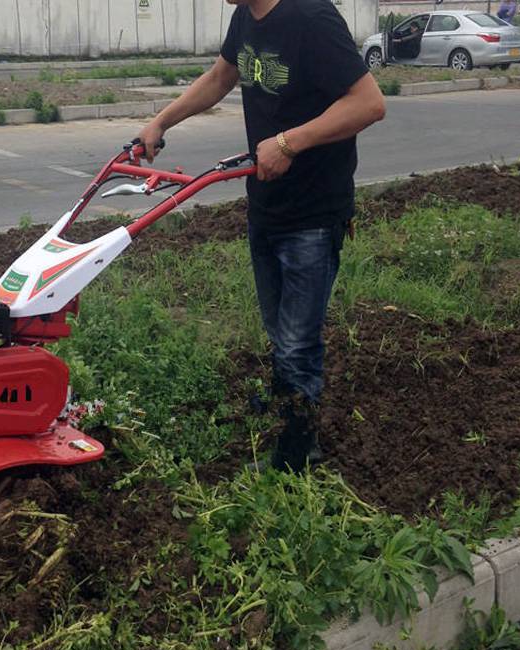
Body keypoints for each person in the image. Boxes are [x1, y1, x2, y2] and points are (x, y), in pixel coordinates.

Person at [138, 0, 385, 472]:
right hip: (267, 204)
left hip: (314, 210)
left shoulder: (311, 17)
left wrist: (291, 142)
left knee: (296, 340)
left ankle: (298, 451)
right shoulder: (246, 18)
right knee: (280, 332)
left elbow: (369, 103)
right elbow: (219, 78)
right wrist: (161, 120)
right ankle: (290, 408)